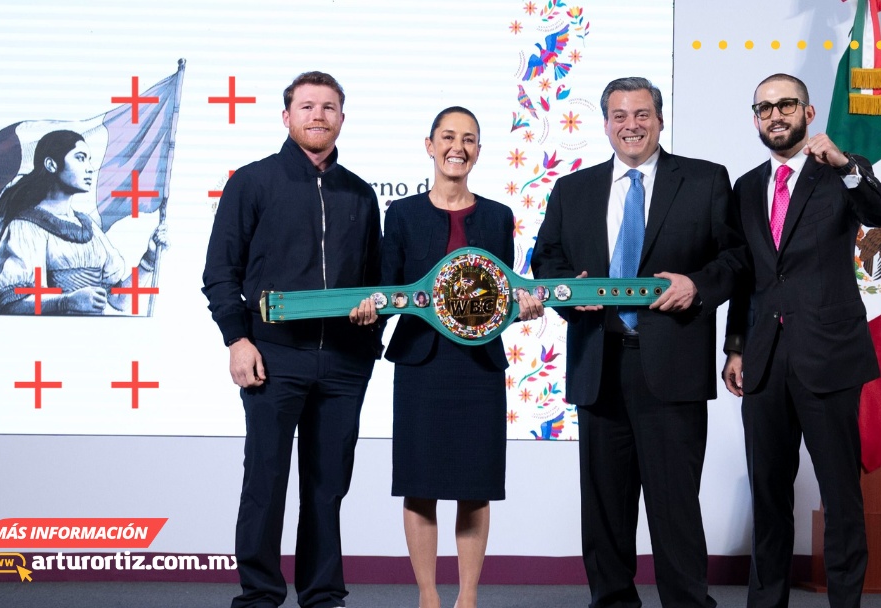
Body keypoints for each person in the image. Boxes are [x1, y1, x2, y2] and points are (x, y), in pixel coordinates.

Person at [531, 77, 745, 608]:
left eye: (642, 114)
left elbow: (737, 260)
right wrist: (567, 293)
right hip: (598, 364)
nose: (631, 125)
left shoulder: (705, 180)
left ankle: (687, 603)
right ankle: (612, 602)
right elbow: (547, 259)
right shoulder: (571, 189)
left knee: (675, 505)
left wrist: (697, 286)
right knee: (605, 507)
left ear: (660, 119)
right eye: (620, 115)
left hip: (673, 367)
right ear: (605, 123)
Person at [202, 71, 383, 608]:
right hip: (272, 358)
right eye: (307, 106)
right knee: (265, 482)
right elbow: (220, 272)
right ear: (287, 117)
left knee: (327, 488)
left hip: (345, 366)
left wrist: (369, 346)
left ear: (342, 119)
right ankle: (259, 594)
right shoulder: (253, 183)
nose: (318, 115)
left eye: (329, 107)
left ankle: (323, 595)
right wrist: (237, 339)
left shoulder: (360, 192)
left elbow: (377, 281)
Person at [722, 73, 881, 608]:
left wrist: (846, 166)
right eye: (765, 108)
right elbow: (745, 275)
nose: (776, 115)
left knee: (841, 498)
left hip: (828, 356)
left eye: (786, 105)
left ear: (808, 111)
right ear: (755, 117)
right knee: (769, 499)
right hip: (764, 361)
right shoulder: (746, 187)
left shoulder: (839, 173)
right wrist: (734, 346)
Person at [356, 106, 543, 608]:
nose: (457, 147)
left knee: (474, 485)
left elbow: (501, 298)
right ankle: (427, 596)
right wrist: (368, 311)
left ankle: (467, 597)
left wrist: (523, 311)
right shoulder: (403, 215)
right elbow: (387, 287)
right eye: (447, 137)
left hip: (479, 368)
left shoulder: (500, 216)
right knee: (420, 485)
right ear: (430, 145)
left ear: (479, 150)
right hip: (422, 364)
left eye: (469, 139)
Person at [0, 129, 166, 314]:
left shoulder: (89, 228)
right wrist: (66, 302)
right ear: (51, 164)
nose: (89, 168)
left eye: (89, 159)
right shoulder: (25, 228)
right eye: (80, 158)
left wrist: (148, 260)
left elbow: (119, 300)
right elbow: (11, 305)